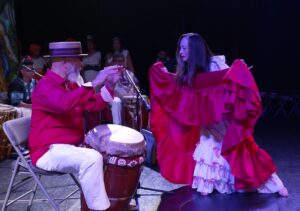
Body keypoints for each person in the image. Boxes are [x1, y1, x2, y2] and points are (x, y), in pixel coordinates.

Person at [149, 33, 288, 197]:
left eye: (185, 48)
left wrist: (237, 70)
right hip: (205, 122)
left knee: (239, 149)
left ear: (195, 50)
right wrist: (161, 73)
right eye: (180, 48)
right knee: (208, 146)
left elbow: (231, 81)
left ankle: (274, 184)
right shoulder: (188, 71)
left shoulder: (215, 64)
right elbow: (180, 88)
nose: (180, 52)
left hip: (221, 120)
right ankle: (211, 183)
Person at [29, 41, 122, 211]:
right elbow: (64, 104)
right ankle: (99, 209)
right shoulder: (45, 86)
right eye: (78, 59)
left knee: (109, 150)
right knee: (92, 158)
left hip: (68, 146)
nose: (82, 64)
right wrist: (95, 82)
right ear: (66, 62)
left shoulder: (69, 85)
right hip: (47, 150)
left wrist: (110, 84)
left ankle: (105, 201)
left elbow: (92, 104)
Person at [110, 53, 139, 125]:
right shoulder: (109, 73)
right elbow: (107, 89)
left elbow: (136, 85)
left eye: (122, 60)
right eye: (117, 61)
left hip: (130, 98)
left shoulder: (129, 73)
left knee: (142, 99)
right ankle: (117, 125)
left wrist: (136, 93)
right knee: (116, 101)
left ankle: (139, 125)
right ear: (113, 62)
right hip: (116, 98)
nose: (120, 62)